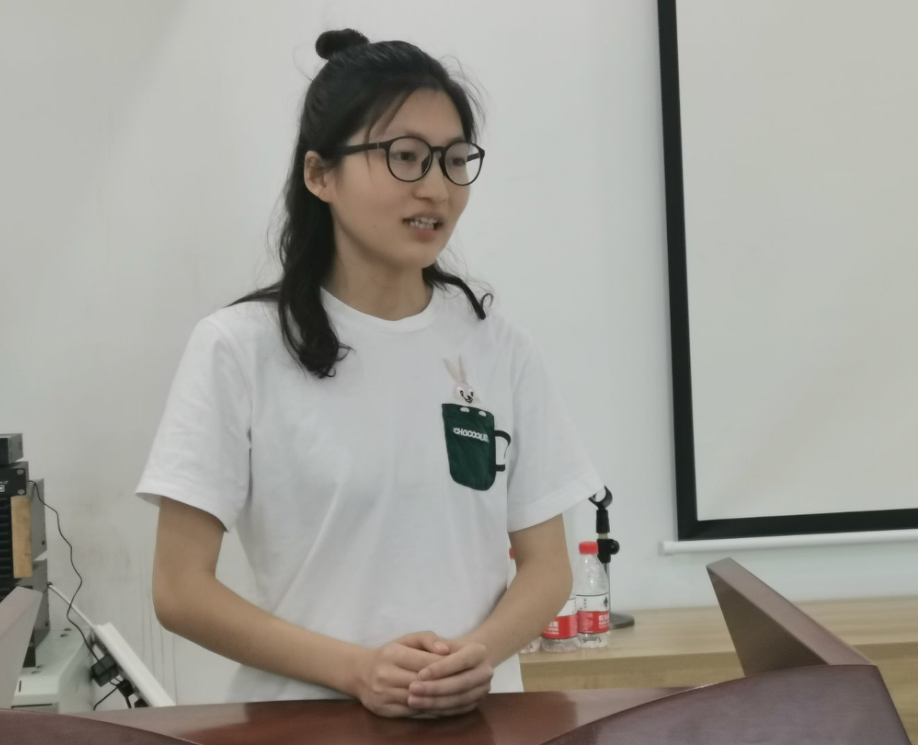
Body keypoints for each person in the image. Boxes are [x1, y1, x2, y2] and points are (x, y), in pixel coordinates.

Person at [136, 28, 604, 720]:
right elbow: (180, 590)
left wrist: (473, 655)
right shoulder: (238, 348)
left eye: (454, 160)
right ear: (319, 174)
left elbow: (547, 566)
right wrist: (357, 669)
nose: (436, 187)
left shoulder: (499, 349)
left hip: (473, 722)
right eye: (404, 157)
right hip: (304, 725)